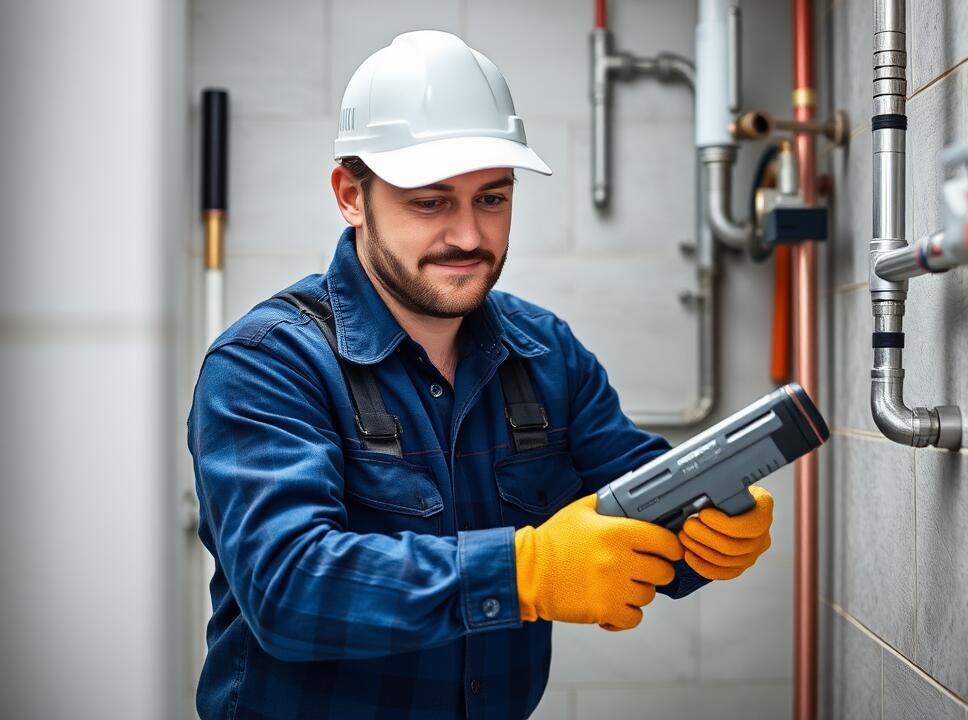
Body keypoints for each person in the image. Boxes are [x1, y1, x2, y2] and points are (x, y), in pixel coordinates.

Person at [188, 30, 774, 719]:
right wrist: (524, 572)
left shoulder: (546, 352)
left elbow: (633, 508)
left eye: (492, 199)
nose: (469, 236)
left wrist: (705, 524)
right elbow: (288, 588)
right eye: (431, 202)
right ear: (351, 194)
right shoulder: (267, 362)